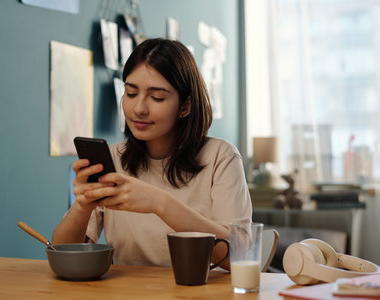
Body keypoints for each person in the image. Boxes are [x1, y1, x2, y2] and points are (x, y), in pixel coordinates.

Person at [52, 38, 252, 270]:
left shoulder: (221, 157)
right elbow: (63, 252)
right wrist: (82, 205)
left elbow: (240, 255)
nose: (139, 109)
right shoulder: (113, 158)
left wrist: (159, 203)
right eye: (130, 93)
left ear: (185, 106)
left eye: (157, 97)